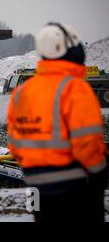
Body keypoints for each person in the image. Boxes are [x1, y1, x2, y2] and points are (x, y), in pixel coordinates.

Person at [7, 22, 108, 222]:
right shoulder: (75, 89)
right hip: (75, 189)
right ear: (64, 49)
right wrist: (100, 173)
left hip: (35, 188)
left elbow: (15, 145)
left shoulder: (21, 93)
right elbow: (86, 145)